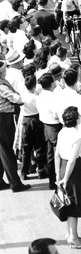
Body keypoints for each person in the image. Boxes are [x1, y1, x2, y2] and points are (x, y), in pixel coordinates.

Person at [55, 106, 81, 248]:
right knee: (73, 203)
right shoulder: (77, 136)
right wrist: (66, 178)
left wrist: (59, 174)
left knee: (65, 200)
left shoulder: (62, 132)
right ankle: (74, 238)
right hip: (73, 170)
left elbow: (57, 154)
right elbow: (72, 159)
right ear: (76, 119)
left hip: (63, 167)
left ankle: (69, 233)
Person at [0, 59, 30, 191]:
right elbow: (14, 98)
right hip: (3, 118)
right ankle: (15, 183)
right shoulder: (1, 85)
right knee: (7, 151)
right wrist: (23, 99)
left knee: (1, 151)